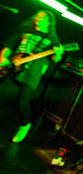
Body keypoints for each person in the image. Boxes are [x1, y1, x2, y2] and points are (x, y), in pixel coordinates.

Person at [0, 10, 64, 143]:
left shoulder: (52, 38)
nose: (37, 18)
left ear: (49, 22)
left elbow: (55, 59)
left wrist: (58, 54)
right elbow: (8, 46)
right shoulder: (24, 30)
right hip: (14, 65)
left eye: (41, 17)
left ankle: (25, 124)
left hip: (33, 72)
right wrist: (2, 58)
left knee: (22, 102)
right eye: (36, 16)